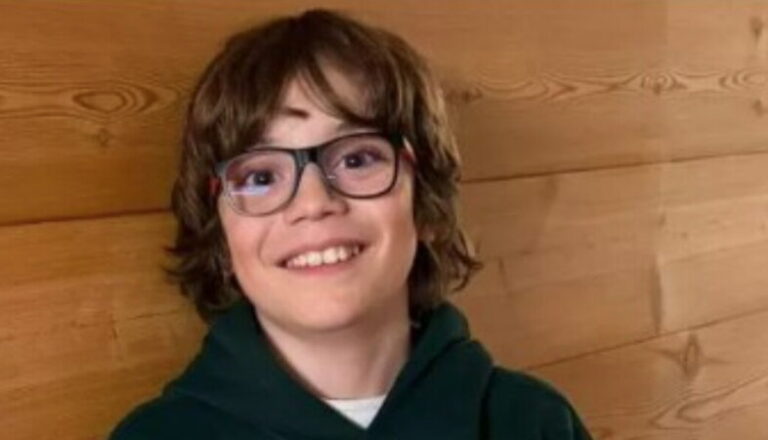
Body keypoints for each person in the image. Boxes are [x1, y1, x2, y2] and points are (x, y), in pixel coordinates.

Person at [109, 8, 593, 440]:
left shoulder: (532, 422)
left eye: (357, 159)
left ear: (425, 205)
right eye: (260, 177)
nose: (313, 202)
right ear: (220, 238)